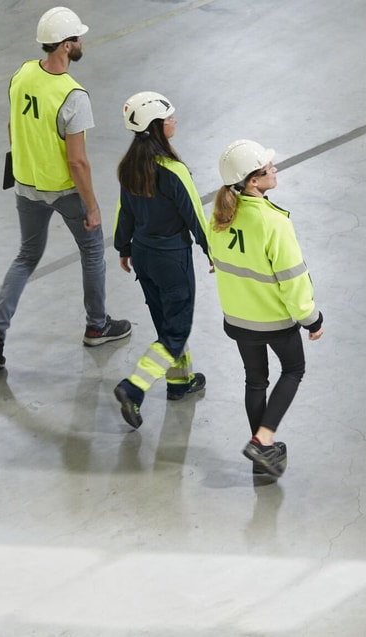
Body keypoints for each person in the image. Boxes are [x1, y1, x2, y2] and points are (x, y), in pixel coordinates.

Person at [0, 6, 131, 369]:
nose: (81, 42)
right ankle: (97, 326)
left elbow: (13, 128)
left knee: (26, 256)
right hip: (63, 190)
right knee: (92, 251)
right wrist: (92, 206)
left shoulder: (22, 75)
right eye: (77, 38)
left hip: (26, 186)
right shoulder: (72, 95)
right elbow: (77, 162)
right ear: (64, 46)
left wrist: (27, 164)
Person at [207, 139, 324, 477]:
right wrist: (311, 319)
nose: (274, 170)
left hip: (238, 318)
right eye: (267, 168)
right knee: (293, 370)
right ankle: (263, 440)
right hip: (273, 319)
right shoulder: (273, 223)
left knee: (255, 380)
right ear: (253, 181)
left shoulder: (219, 217)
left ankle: (263, 452)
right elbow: (293, 279)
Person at [110, 92, 210, 430]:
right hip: (171, 259)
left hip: (143, 256)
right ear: (156, 126)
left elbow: (125, 212)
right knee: (176, 329)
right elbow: (194, 213)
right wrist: (213, 251)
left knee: (166, 323)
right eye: (169, 117)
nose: (175, 121)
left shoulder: (130, 167)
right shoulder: (173, 170)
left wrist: (123, 247)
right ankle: (134, 387)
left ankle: (180, 381)